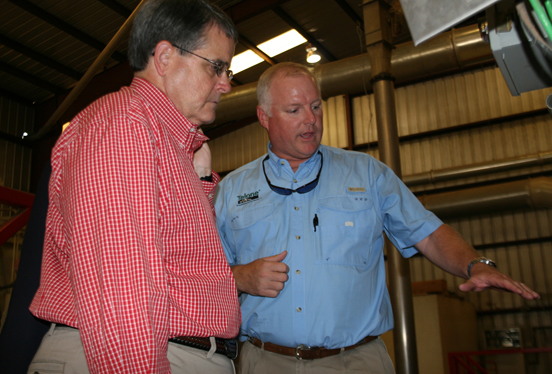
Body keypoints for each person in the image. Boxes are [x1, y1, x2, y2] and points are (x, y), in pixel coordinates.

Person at [214, 62, 540, 374]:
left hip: (355, 361)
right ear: (264, 116)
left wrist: (474, 264)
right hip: (265, 361)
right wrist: (239, 277)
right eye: (294, 110)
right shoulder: (231, 190)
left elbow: (426, 232)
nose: (311, 119)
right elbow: (199, 271)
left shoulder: (367, 173)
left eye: (316, 106)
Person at [28, 1, 240, 373]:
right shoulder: (124, 127)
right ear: (164, 56)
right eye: (216, 66)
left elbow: (177, 255)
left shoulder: (162, 141)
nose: (226, 82)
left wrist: (202, 181)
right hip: (141, 357)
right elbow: (121, 294)